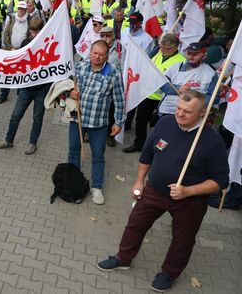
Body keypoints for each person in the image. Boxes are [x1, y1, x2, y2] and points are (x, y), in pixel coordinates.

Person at [96, 91, 229, 292]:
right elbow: (148, 153)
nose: (180, 114)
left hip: (189, 201)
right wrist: (139, 182)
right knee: (135, 224)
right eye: (178, 108)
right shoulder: (165, 123)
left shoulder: (212, 140)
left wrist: (188, 191)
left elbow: (220, 181)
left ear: (202, 113)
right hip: (154, 191)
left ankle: (169, 272)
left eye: (187, 111)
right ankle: (123, 258)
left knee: (183, 239)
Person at [69, 39, 125, 205]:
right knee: (73, 152)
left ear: (107, 56)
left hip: (99, 123)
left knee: (98, 155)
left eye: (101, 55)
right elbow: (67, 87)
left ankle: (97, 187)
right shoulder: (79, 66)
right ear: (90, 52)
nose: (97, 57)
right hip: (77, 119)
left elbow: (120, 99)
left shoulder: (113, 72)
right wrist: (71, 92)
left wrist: (118, 122)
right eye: (95, 53)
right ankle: (75, 185)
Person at [0, 18, 51, 155]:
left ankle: (32, 143)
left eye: (37, 32)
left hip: (41, 89)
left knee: (37, 118)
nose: (34, 35)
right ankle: (9, 140)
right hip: (26, 87)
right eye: (32, 31)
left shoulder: (47, 44)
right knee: (15, 115)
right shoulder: (25, 43)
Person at [123, 33, 185, 153]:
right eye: (161, 47)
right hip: (147, 94)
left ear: (175, 48)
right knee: (140, 121)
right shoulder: (157, 52)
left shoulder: (181, 61)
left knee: (160, 126)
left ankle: (158, 149)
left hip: (163, 99)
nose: (163, 50)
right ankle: (138, 144)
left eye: (166, 49)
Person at [157, 42, 216, 118]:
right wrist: (178, 89)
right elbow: (162, 83)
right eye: (189, 54)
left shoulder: (210, 73)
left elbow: (214, 97)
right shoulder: (177, 66)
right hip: (169, 110)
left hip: (192, 114)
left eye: (195, 54)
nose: (190, 57)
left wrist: (195, 97)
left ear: (203, 55)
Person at [0, 0, 29, 103]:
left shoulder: (29, 20)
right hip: (10, 51)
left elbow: (29, 37)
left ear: (25, 10)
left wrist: (22, 49)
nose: (20, 11)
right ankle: (3, 95)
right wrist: (10, 47)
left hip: (22, 53)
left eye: (22, 9)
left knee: (20, 74)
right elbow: (6, 34)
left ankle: (20, 95)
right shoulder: (12, 19)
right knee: (6, 74)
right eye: (19, 9)